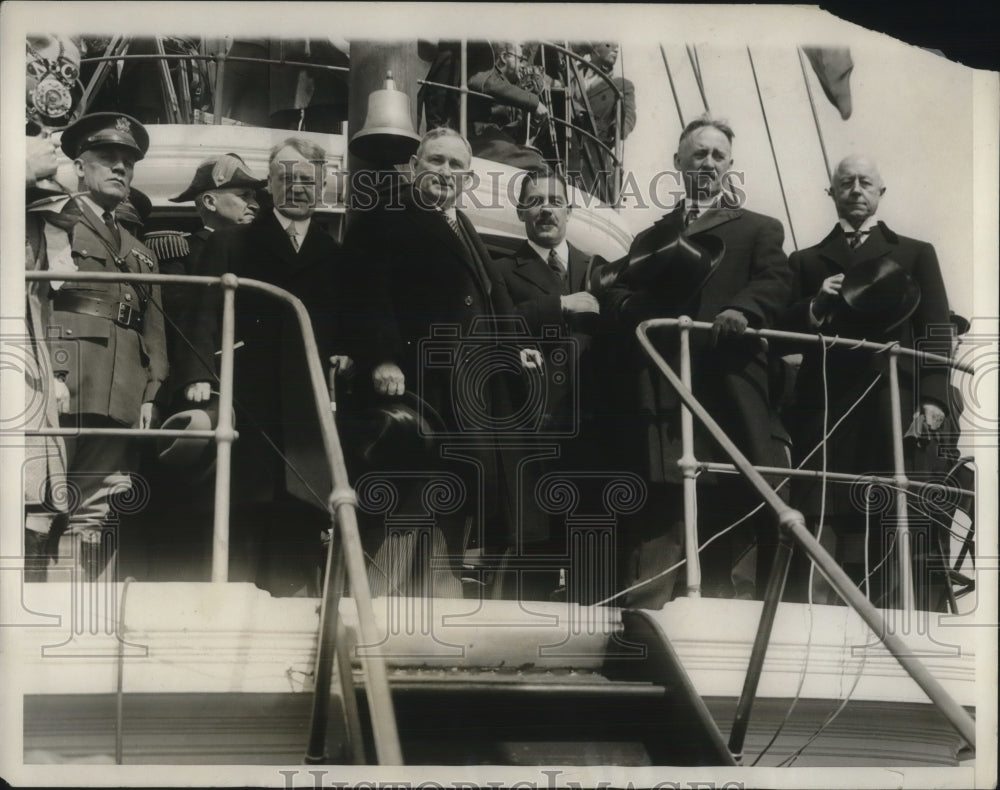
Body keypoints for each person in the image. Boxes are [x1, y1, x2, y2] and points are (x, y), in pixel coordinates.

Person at [599, 114, 792, 607]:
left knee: (730, 499)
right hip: (665, 388)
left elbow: (775, 281)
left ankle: (728, 613)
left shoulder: (759, 228)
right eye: (698, 153)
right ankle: (646, 620)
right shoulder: (651, 237)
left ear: (730, 167)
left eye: (717, 155)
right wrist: (632, 307)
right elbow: (621, 291)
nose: (707, 163)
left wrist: (742, 309)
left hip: (726, 384)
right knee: (664, 504)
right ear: (677, 162)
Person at [345, 127, 546, 598]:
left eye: (456, 166)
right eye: (436, 161)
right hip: (418, 387)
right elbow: (365, 291)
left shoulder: (463, 225)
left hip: (470, 394)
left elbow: (494, 298)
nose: (445, 172)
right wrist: (381, 359)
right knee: (407, 506)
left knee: (453, 505)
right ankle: (371, 612)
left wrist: (516, 345)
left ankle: (440, 613)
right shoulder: (387, 215)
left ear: (468, 178)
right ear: (414, 167)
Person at [175, 137, 356, 595]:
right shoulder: (232, 241)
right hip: (248, 395)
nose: (296, 187)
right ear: (270, 187)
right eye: (285, 177)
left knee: (299, 512)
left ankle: (294, 614)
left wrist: (346, 351)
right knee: (243, 510)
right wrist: (196, 372)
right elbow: (202, 308)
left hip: (306, 407)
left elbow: (348, 318)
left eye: (306, 179)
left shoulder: (335, 255)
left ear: (321, 186)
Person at [779, 155, 953, 607]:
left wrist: (932, 398)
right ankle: (818, 609)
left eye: (865, 183)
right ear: (832, 193)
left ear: (880, 193)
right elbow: (783, 332)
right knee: (825, 507)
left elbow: (935, 329)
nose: (856, 189)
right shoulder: (805, 261)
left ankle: (896, 610)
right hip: (826, 406)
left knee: (892, 502)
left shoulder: (915, 252)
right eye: (846, 183)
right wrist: (816, 304)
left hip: (892, 401)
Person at [31, 112, 167, 581]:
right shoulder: (53, 220)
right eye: (106, 159)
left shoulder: (138, 248)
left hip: (120, 389)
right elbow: (41, 303)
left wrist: (151, 393)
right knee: (43, 499)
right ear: (80, 166)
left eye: (127, 162)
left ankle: (73, 606)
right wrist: (49, 373)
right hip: (66, 379)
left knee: (96, 508)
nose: (119, 169)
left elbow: (154, 326)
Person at [490, 171, 603, 600]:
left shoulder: (595, 267)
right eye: (535, 201)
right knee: (532, 545)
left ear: (569, 211)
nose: (546, 209)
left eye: (555, 201)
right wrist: (559, 305)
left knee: (590, 537)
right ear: (521, 211)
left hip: (590, 424)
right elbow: (497, 322)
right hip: (532, 426)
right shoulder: (500, 268)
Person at [465, 42, 550, 171]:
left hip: (497, 142)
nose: (523, 65)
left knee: (536, 159)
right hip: (480, 140)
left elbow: (514, 132)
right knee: (538, 165)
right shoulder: (486, 71)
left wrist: (533, 123)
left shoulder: (510, 88)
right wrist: (534, 102)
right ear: (504, 57)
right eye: (520, 59)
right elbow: (488, 85)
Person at [570, 42, 636, 203]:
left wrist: (620, 130)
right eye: (608, 44)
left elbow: (629, 116)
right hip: (567, 145)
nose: (616, 49)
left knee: (592, 201)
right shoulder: (570, 72)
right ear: (594, 48)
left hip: (596, 151)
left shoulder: (621, 85)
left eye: (617, 47)